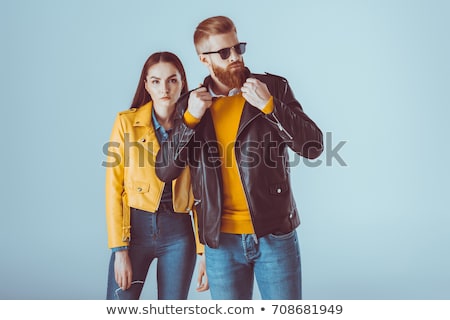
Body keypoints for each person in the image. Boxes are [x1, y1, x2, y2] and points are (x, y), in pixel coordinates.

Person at [155, 16, 323, 300]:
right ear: (203, 59)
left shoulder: (273, 88)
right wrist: (189, 120)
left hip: (274, 234)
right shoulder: (189, 104)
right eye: (224, 52)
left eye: (238, 48)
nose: (235, 57)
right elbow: (165, 171)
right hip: (220, 243)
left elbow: (313, 146)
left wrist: (270, 106)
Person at [104, 51, 207, 300]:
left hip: (179, 234)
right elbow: (114, 189)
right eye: (156, 81)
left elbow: (204, 192)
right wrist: (120, 250)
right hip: (134, 231)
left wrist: (205, 253)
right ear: (146, 85)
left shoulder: (197, 126)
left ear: (183, 83)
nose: (165, 89)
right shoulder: (125, 123)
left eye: (172, 80)